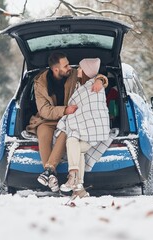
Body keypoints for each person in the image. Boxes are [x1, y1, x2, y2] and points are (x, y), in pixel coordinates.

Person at [26, 52, 108, 192]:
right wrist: (65, 110)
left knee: (66, 132)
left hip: (69, 119)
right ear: (56, 69)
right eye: (66, 65)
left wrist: (100, 80)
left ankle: (49, 171)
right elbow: (44, 110)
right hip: (47, 119)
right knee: (43, 134)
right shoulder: (40, 83)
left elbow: (93, 74)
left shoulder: (74, 74)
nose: (70, 67)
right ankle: (50, 173)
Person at [57, 58, 112, 198]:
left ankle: (73, 178)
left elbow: (102, 79)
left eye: (81, 68)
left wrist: (100, 80)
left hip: (94, 131)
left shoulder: (95, 86)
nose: (78, 70)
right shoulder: (78, 85)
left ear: (87, 71)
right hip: (81, 128)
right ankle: (79, 188)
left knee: (71, 142)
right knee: (75, 145)